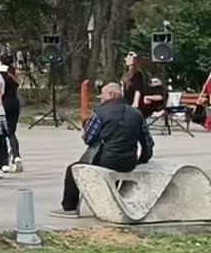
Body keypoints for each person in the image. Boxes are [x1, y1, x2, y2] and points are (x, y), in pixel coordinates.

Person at [49, 82, 154, 218]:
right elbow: (148, 142)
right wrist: (142, 160)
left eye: (102, 96)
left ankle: (69, 208)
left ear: (111, 94)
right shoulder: (137, 114)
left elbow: (88, 139)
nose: (101, 99)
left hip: (104, 160)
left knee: (72, 170)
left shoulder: (99, 113)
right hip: (128, 162)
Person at [0, 54, 22, 173]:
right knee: (11, 132)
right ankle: (17, 156)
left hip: (2, 104)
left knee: (2, 133)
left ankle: (4, 163)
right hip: (14, 102)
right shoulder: (13, 74)